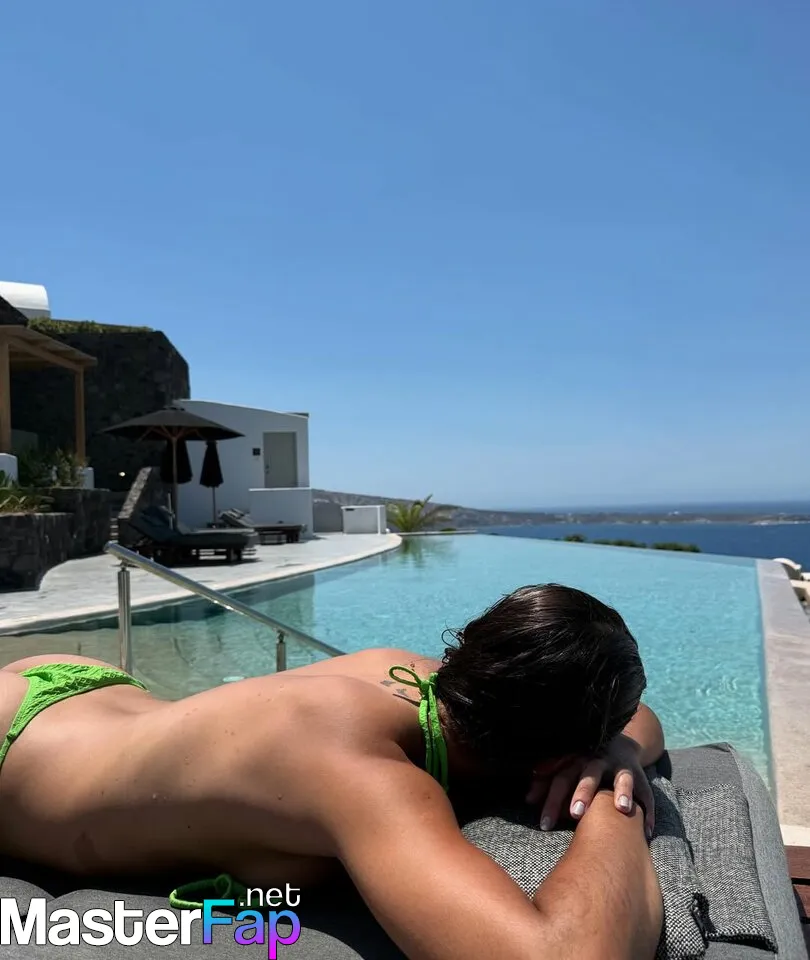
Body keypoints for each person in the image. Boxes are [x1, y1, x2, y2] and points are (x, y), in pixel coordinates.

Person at [0, 583, 664, 960]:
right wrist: (617, 806)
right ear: (550, 758)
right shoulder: (363, 774)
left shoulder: (417, 675)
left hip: (86, 695)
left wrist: (619, 754)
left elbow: (646, 722)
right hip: (15, 746)